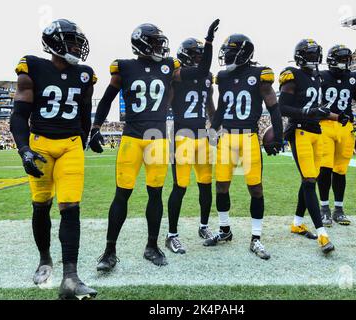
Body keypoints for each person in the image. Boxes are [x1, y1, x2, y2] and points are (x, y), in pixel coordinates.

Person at [89, 20, 220, 270]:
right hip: (132, 139)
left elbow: (202, 71)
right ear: (142, 43)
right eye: (157, 42)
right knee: (122, 195)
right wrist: (95, 127)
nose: (161, 46)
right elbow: (106, 99)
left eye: (162, 42)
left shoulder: (170, 66)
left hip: (157, 139)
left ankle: (152, 246)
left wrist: (210, 41)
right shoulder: (124, 67)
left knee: (156, 194)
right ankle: (109, 251)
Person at [9, 19, 97, 300]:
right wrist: (24, 149)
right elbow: (19, 115)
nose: (76, 46)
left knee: (71, 207)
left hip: (71, 145)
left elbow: (84, 113)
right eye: (71, 41)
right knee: (41, 206)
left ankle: (70, 277)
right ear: (55, 43)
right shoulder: (32, 66)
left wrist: (89, 136)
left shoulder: (85, 74)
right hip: (41, 145)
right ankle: (45, 259)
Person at [205, 34, 283, 260]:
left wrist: (278, 136)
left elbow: (274, 107)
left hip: (249, 138)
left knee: (255, 188)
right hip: (227, 138)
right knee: (221, 186)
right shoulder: (223, 76)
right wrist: (212, 130)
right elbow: (221, 109)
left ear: (243, 53)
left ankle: (256, 238)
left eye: (230, 52)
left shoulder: (260, 75)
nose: (226, 57)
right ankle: (224, 230)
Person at [278, 39, 350, 255]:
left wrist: (338, 117)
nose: (313, 59)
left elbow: (318, 109)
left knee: (310, 179)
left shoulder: (317, 77)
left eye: (315, 55)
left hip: (316, 132)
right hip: (299, 131)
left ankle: (297, 223)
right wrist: (304, 113)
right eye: (309, 55)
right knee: (310, 181)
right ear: (300, 56)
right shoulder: (291, 74)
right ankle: (322, 234)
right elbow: (282, 108)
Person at [165, 38, 216, 254]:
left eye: (200, 55)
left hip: (202, 135)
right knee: (180, 186)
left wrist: (215, 128)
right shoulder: (176, 77)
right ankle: (171, 235)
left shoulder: (207, 78)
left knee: (206, 183)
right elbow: (167, 102)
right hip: (182, 135)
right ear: (185, 55)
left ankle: (204, 226)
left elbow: (210, 106)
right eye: (196, 54)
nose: (199, 58)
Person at [317, 45, 356, 227]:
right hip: (325, 125)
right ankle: (324, 209)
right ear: (332, 60)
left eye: (347, 60)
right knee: (324, 168)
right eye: (342, 59)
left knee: (340, 169)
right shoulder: (321, 76)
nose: (345, 63)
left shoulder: (354, 78)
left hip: (346, 127)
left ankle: (338, 209)